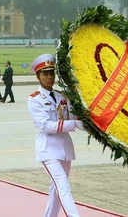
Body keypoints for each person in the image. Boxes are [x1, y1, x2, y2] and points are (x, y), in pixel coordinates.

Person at [27, 54, 85, 217]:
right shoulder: (34, 99)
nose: (49, 77)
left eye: (52, 73)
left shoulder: (62, 96)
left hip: (65, 149)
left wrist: (96, 128)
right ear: (38, 76)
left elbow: (75, 118)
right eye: (45, 74)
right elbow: (45, 126)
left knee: (55, 189)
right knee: (62, 185)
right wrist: (74, 124)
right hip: (48, 150)